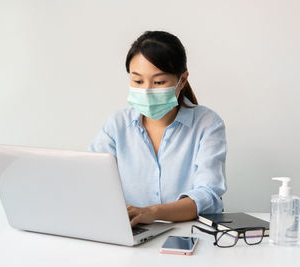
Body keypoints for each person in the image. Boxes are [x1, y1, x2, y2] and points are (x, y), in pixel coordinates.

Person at [88, 31, 227, 227]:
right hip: (131, 233)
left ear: (182, 80)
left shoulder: (207, 124)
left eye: (159, 82)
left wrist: (151, 212)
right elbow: (91, 180)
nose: (146, 91)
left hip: (187, 235)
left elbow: (208, 195)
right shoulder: (117, 124)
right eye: (137, 81)